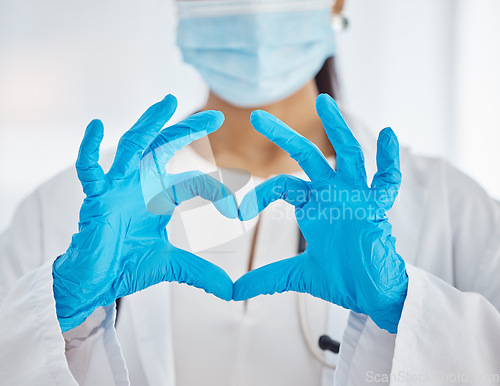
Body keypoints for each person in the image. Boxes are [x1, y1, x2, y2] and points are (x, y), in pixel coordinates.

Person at [1, 1, 500, 385]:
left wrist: (408, 312)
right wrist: (58, 313)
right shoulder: (64, 208)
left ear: (338, 3)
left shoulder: (452, 211)